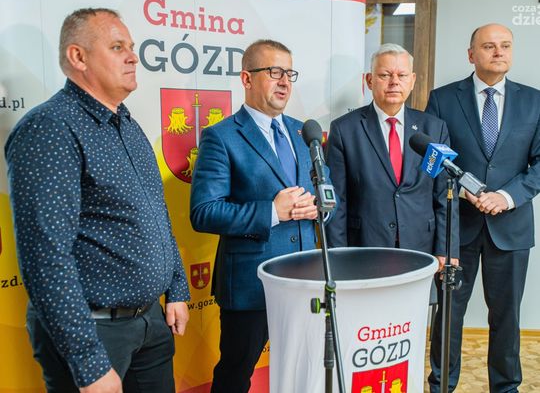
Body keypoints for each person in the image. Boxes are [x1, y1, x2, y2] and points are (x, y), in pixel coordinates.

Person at [5, 8, 190, 393]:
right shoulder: (50, 129)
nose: (133, 57)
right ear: (78, 57)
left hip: (150, 323)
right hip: (94, 332)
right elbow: (45, 257)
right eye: (118, 47)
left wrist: (176, 288)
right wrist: (87, 362)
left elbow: (157, 216)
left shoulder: (128, 125)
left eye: (132, 47)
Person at [190, 39, 321, 393]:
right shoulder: (221, 137)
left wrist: (319, 207)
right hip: (251, 284)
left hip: (305, 279)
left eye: (289, 73)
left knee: (304, 370)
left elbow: (328, 193)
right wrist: (271, 212)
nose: (284, 82)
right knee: (235, 374)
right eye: (274, 72)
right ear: (247, 78)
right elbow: (204, 212)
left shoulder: (304, 132)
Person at [426, 23, 540, 393]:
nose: (498, 52)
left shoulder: (534, 101)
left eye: (505, 45)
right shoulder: (443, 99)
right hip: (456, 227)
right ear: (471, 54)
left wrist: (506, 196)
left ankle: (506, 387)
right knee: (449, 314)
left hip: (511, 228)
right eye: (489, 46)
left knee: (507, 317)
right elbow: (432, 160)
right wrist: (462, 190)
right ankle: (442, 385)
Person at [325, 43, 458, 262]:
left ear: (412, 81)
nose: (394, 82)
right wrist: (337, 255)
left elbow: (444, 194)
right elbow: (337, 200)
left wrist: (446, 249)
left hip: (421, 246)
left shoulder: (434, 129)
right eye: (385, 75)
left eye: (402, 75)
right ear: (369, 80)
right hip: (365, 247)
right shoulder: (344, 129)